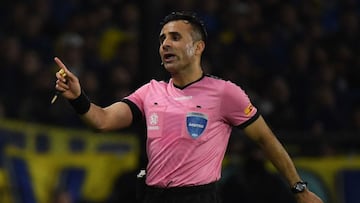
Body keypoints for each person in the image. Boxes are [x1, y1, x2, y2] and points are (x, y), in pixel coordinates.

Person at [54, 11, 323, 203]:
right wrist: (79, 99)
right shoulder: (150, 92)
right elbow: (102, 121)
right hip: (152, 195)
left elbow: (266, 139)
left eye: (174, 37)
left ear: (198, 47)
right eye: (161, 39)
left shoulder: (225, 94)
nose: (165, 44)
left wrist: (299, 189)